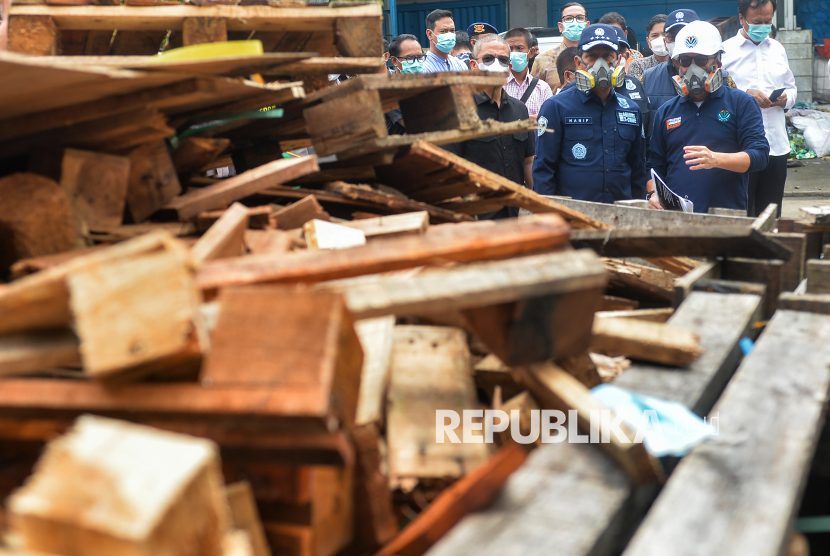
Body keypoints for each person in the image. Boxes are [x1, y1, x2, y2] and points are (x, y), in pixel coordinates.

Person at [646, 21, 769, 214]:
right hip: (676, 218)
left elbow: (760, 156)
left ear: (718, 62)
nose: (692, 68)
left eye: (701, 60)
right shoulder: (666, 111)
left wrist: (716, 159)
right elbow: (654, 165)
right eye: (685, 61)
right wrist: (653, 193)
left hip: (725, 217)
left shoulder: (741, 103)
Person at [533, 24, 647, 202]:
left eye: (607, 55)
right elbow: (543, 170)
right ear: (579, 62)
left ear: (618, 60)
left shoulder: (631, 110)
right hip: (573, 215)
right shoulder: (555, 107)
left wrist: (637, 212)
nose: (600, 64)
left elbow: (638, 173)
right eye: (592, 56)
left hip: (620, 215)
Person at [442, 35, 535, 219]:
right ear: (473, 65)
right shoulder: (457, 111)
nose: (496, 65)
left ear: (509, 68)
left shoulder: (519, 110)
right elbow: (448, 172)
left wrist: (536, 205)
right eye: (488, 59)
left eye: (503, 60)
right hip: (478, 219)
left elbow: (528, 162)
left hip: (516, 215)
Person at [722, 0, 796, 217]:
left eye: (768, 21)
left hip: (775, 144)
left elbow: (792, 87)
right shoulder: (725, 51)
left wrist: (785, 98)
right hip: (739, 146)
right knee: (740, 213)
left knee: (770, 215)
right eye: (757, 22)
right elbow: (717, 94)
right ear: (742, 19)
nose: (763, 26)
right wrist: (745, 95)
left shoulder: (777, 49)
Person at [641, 9, 700, 110]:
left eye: (685, 36)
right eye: (673, 37)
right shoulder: (647, 79)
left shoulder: (722, 79)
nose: (678, 41)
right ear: (665, 43)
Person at [530, 2, 588, 92]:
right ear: (560, 26)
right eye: (568, 18)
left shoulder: (595, 57)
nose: (575, 22)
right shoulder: (542, 60)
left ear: (587, 25)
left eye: (580, 18)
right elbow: (534, 94)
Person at [503, 27, 553, 117]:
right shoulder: (497, 86)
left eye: (519, 48)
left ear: (531, 52)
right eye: (510, 49)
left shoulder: (542, 89)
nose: (514, 53)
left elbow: (549, 119)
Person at [386, 34, 427, 135]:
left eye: (420, 57)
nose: (416, 62)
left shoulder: (424, 86)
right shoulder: (390, 91)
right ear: (395, 61)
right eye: (409, 58)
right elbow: (419, 126)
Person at [628, 14, 669, 79]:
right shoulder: (638, 65)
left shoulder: (682, 63)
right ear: (648, 42)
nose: (661, 39)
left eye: (664, 34)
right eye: (655, 35)